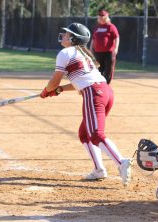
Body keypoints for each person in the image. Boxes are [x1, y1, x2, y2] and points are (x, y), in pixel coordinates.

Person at [40, 22, 131, 186]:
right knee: (84, 133)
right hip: (105, 92)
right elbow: (79, 82)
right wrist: (58, 90)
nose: (64, 36)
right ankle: (99, 169)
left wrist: (47, 90)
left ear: (74, 38)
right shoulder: (83, 53)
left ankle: (121, 162)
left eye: (68, 34)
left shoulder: (65, 52)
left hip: (94, 93)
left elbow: (55, 80)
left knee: (96, 134)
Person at [90, 9, 119, 84]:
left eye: (102, 16)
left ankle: (106, 85)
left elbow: (117, 37)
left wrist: (116, 49)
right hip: (98, 52)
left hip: (108, 53)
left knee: (108, 70)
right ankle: (99, 84)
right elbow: (93, 39)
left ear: (106, 17)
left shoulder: (111, 27)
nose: (100, 17)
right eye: (99, 16)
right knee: (98, 69)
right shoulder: (97, 27)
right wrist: (91, 49)